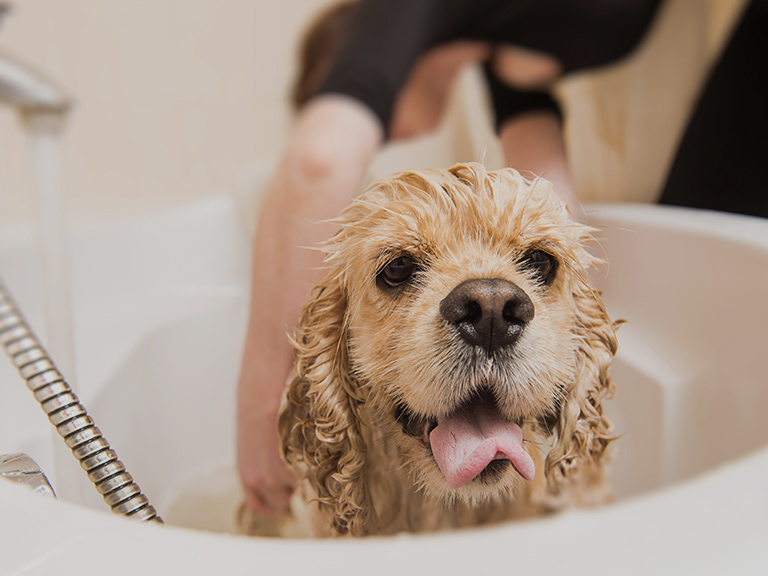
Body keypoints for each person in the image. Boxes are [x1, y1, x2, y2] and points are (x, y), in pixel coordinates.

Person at [236, 0, 669, 518]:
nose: (381, 137)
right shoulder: (509, 58)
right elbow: (557, 206)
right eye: (399, 270)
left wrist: (261, 415)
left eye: (375, 121)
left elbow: (317, 161)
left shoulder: (396, 11)